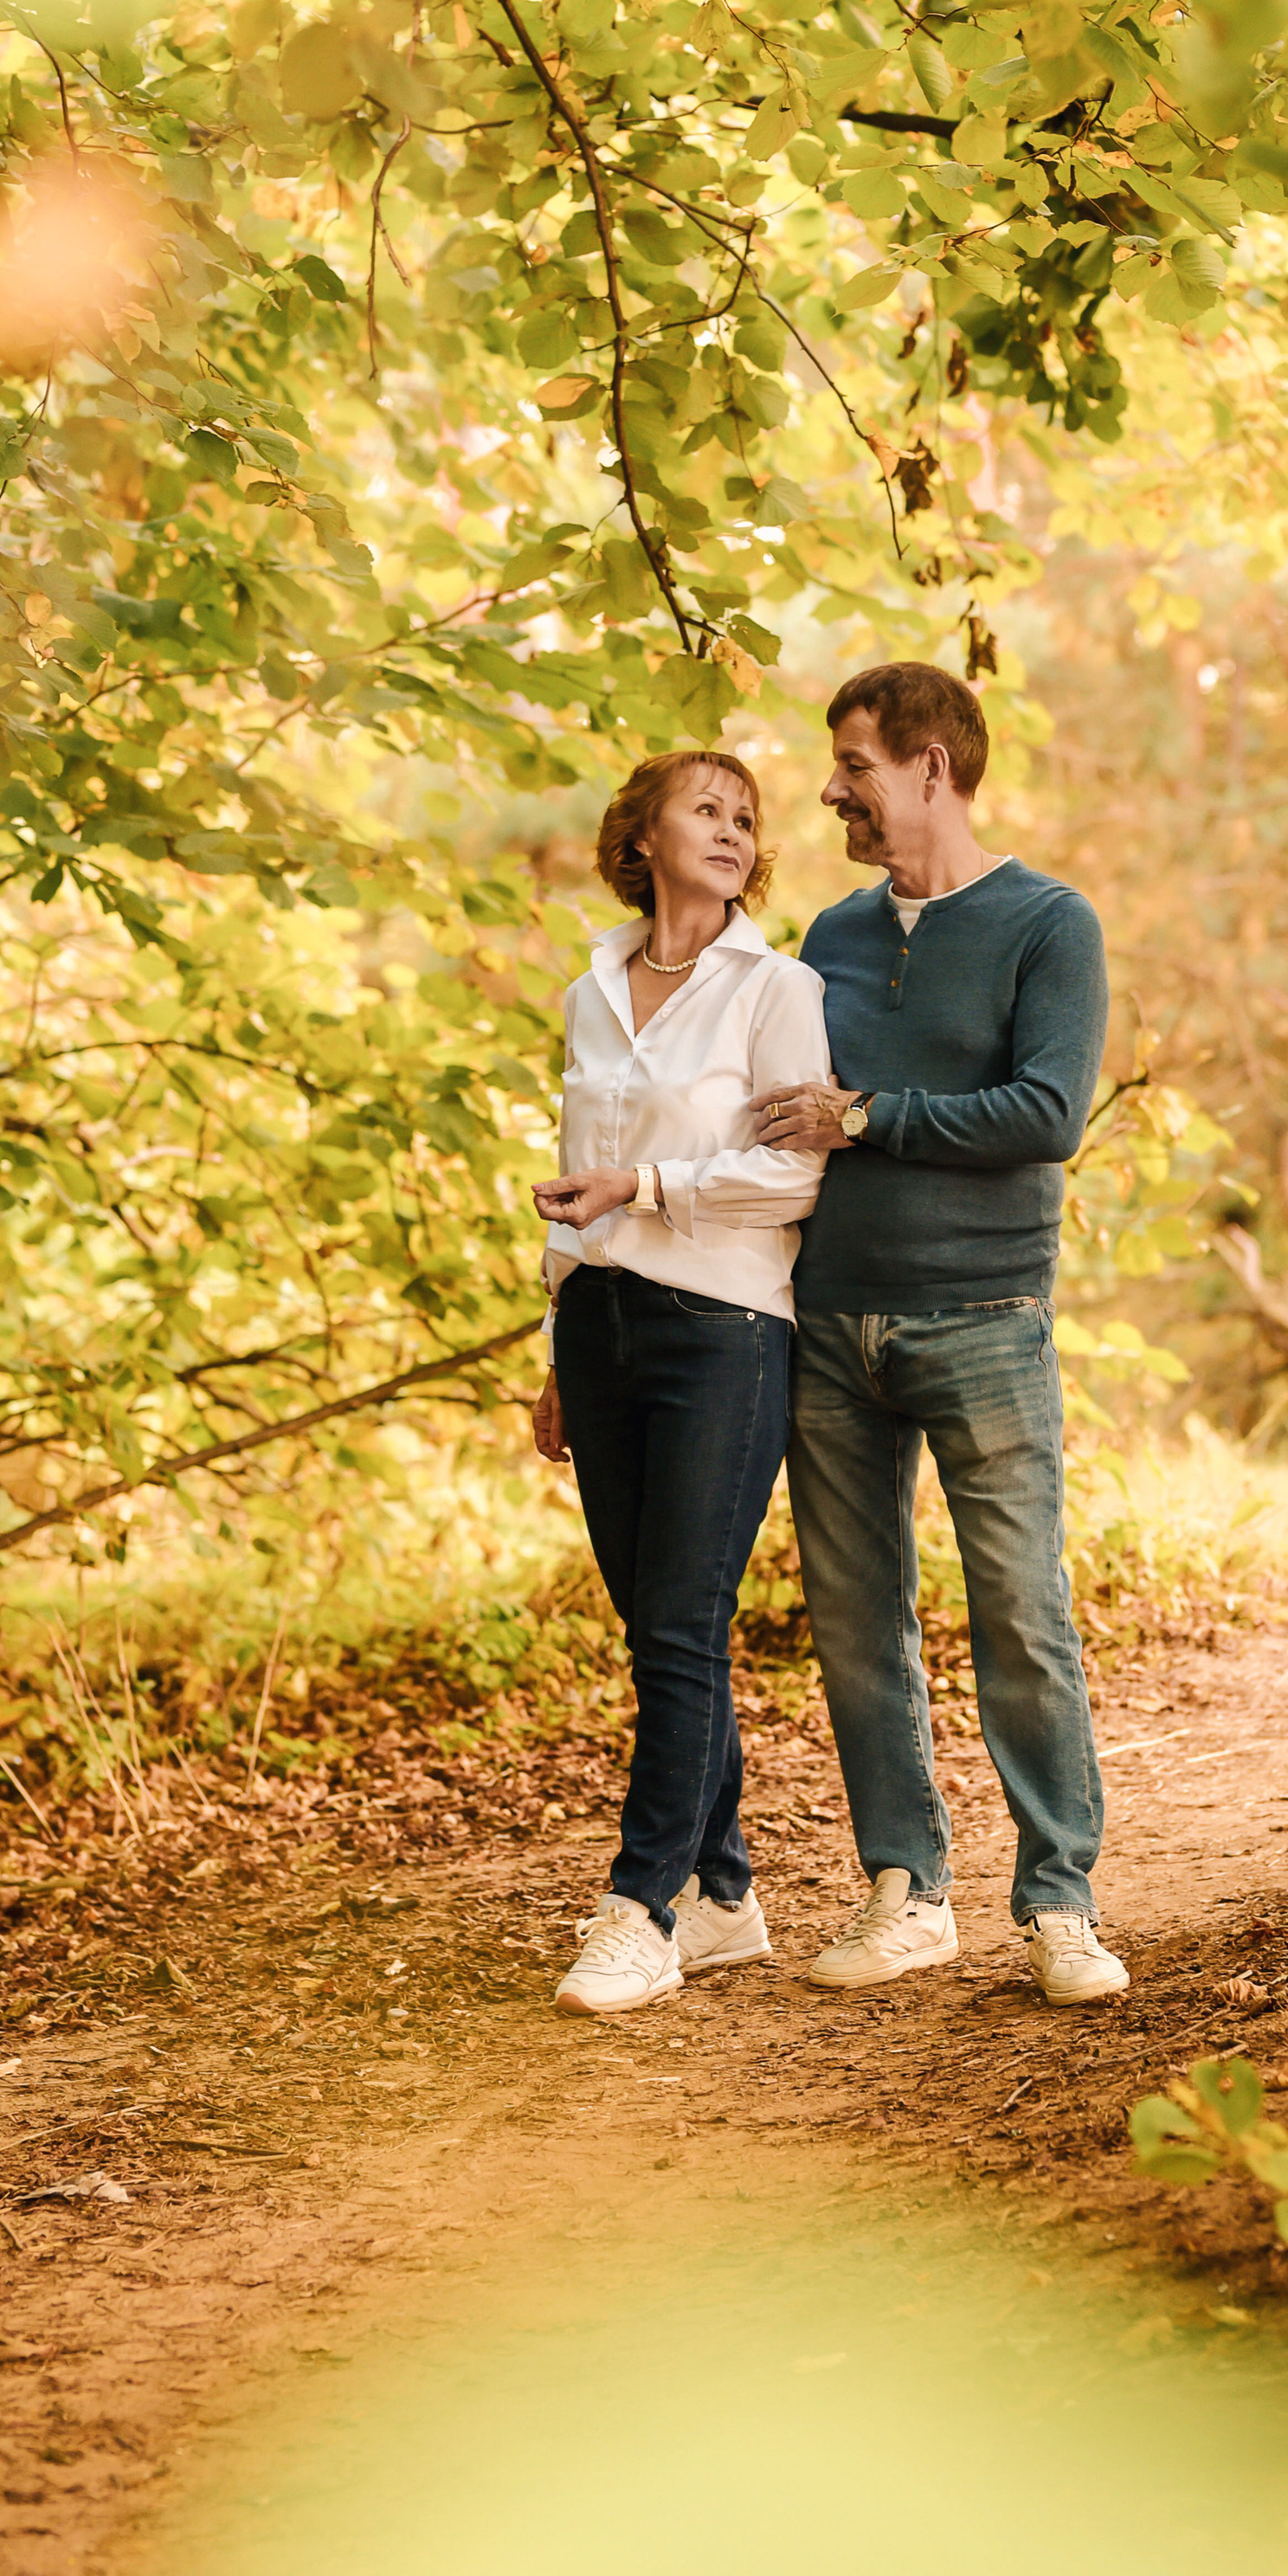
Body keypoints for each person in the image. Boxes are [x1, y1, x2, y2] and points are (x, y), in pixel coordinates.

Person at [754, 661, 1126, 2009]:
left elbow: (1046, 1115)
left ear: (930, 765)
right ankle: (905, 1888)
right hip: (827, 1318)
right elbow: (768, 1111)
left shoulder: (1047, 923)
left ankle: (1061, 1900)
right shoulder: (828, 937)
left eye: (852, 763)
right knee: (859, 1624)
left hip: (983, 1316)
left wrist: (870, 1116)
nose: (830, 789)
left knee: (1021, 1608)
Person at [530, 749, 833, 2018]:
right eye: (705, 808)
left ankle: (640, 1908)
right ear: (641, 833)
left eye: (745, 817)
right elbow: (570, 1167)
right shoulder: (593, 988)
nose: (733, 829)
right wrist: (552, 1340)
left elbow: (795, 1176)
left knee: (677, 1624)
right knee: (659, 1629)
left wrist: (650, 1189)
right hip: (599, 1322)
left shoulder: (778, 987)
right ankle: (721, 1893)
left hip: (725, 1327)